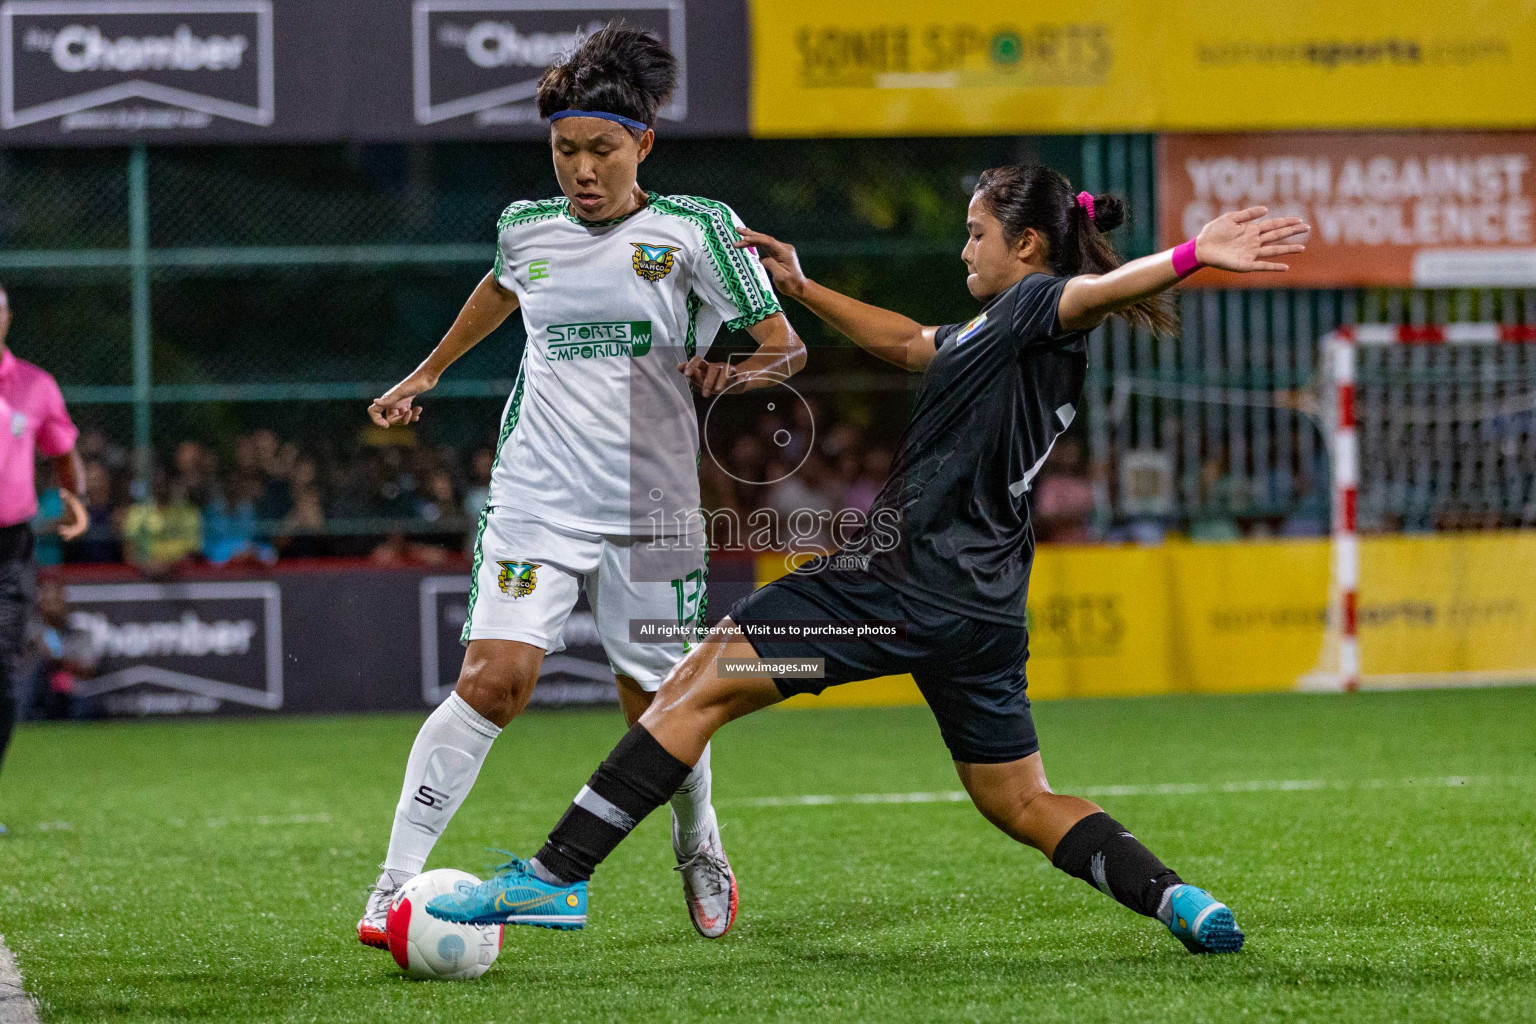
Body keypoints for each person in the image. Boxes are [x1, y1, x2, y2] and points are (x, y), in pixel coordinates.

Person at [423, 166, 1307, 954]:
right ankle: (1179, 900)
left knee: (698, 680)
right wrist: (803, 287)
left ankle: (557, 873)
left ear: (1027, 244)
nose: (964, 248)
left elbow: (1094, 292)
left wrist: (1192, 253)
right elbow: (907, 344)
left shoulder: (1041, 306)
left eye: (975, 233)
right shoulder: (992, 332)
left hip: (892, 592)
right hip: (980, 618)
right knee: (1021, 801)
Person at [354, 24, 805, 947]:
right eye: (565, 149)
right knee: (492, 682)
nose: (581, 169)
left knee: (659, 709)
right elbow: (501, 286)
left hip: (654, 507)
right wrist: (428, 373)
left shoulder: (694, 231)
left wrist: (736, 370)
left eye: (600, 149)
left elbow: (783, 342)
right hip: (538, 494)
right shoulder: (528, 228)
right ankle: (392, 884)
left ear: (643, 145)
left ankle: (698, 839)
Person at [0, 284, 89, 836]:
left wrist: (74, 497)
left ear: (8, 316)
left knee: (4, 682)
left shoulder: (33, 385)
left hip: (10, 550)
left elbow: (62, 449)